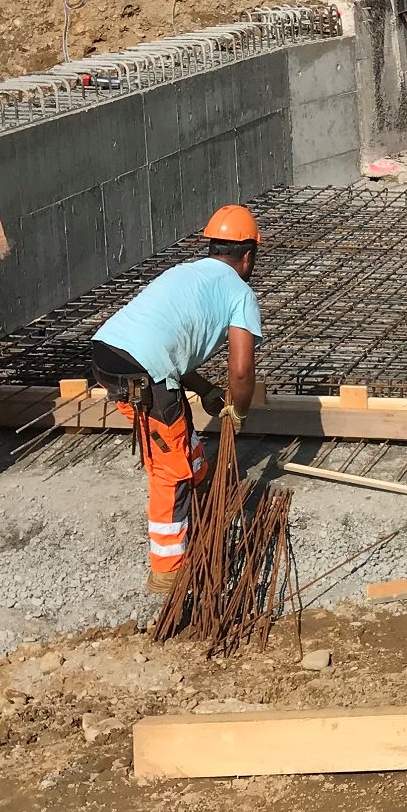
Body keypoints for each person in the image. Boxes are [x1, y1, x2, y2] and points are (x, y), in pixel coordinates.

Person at [89, 205, 263, 591]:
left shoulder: (182, 272)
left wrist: (205, 389)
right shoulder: (240, 293)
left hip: (106, 353)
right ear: (248, 256)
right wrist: (238, 411)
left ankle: (198, 485)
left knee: (174, 427)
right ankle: (168, 569)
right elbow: (241, 371)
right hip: (144, 374)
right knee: (170, 470)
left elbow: (163, 341)